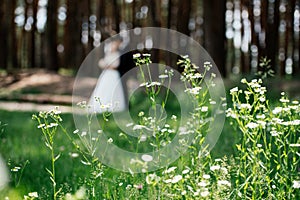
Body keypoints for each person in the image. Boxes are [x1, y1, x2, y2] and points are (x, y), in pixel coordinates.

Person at [88, 37, 126, 113]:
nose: (113, 47)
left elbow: (116, 65)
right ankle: (101, 105)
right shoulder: (108, 54)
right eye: (112, 45)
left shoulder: (117, 54)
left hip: (113, 74)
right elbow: (104, 62)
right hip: (106, 74)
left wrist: (107, 66)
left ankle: (113, 106)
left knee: (113, 90)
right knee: (103, 89)